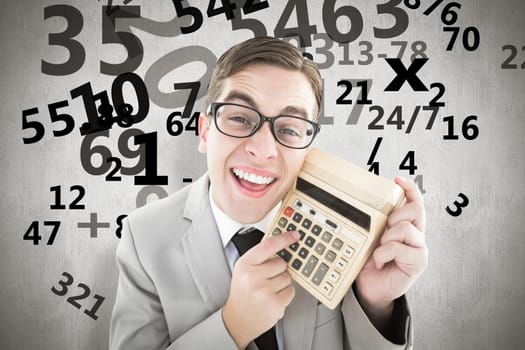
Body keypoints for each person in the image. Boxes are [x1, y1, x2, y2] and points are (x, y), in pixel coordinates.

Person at [109, 37, 428, 350]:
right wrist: (232, 326)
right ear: (205, 132)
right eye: (238, 118)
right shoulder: (144, 237)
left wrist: (377, 306)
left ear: (307, 149)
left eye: (289, 128)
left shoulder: (347, 234)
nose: (262, 150)